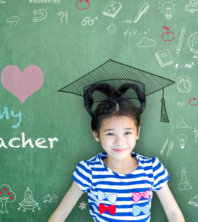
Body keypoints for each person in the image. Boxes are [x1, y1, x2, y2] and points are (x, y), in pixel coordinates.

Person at [49, 83, 185, 222]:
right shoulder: (89, 171)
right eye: (110, 134)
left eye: (127, 132)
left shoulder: (152, 169)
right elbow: (60, 215)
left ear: (137, 132)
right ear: (96, 134)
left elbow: (173, 214)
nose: (119, 141)